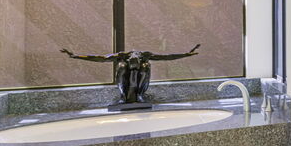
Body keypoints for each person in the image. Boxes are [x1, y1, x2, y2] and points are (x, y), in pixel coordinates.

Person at [60, 44, 200, 108]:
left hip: (141, 83)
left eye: (136, 66)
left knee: (147, 67)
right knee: (121, 67)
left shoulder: (144, 57)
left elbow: (167, 57)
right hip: (125, 81)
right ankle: (124, 95)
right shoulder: (122, 57)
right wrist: (75, 56)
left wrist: (187, 54)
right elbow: (100, 58)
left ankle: (140, 95)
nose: (135, 68)